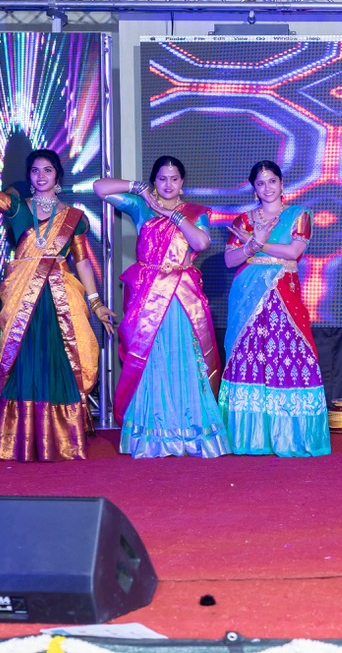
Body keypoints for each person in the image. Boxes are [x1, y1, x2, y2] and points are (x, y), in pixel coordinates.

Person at [0, 119, 115, 461]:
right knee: (23, 362)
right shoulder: (17, 205)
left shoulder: (74, 218)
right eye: (35, 171)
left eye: (47, 170)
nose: (41, 176)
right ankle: (22, 439)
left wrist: (96, 303)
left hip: (60, 300)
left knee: (61, 360)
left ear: (58, 176)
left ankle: (62, 440)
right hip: (24, 296)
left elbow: (83, 262)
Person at [94, 157, 229, 458]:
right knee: (151, 359)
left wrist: (172, 215)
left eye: (174, 178)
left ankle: (190, 431)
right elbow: (99, 187)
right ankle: (154, 434)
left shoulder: (195, 212)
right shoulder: (140, 207)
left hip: (182, 297)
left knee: (184, 359)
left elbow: (201, 243)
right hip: (148, 297)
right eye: (162, 178)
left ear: (183, 182)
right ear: (154, 181)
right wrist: (138, 188)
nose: (168, 184)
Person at [220, 161, 329, 456]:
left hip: (284, 294)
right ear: (253, 188)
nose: (267, 188)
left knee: (289, 355)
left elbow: (293, 251)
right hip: (247, 296)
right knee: (248, 356)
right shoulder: (244, 220)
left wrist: (257, 244)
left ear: (282, 184)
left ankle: (291, 436)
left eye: (272, 181)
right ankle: (248, 437)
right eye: (260, 183)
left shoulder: (299, 215)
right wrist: (250, 245)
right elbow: (229, 260)